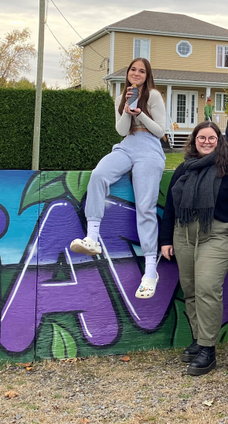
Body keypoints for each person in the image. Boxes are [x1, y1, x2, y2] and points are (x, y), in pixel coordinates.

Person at [70, 57, 165, 299]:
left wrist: (140, 113)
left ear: (147, 75)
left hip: (150, 149)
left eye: (141, 71)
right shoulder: (121, 96)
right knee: (99, 174)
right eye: (133, 69)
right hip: (128, 145)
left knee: (145, 207)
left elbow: (160, 131)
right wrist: (125, 110)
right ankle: (92, 237)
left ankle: (150, 271)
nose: (136, 73)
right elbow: (122, 130)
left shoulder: (153, 96)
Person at [160, 121, 228, 376]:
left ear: (219, 140)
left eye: (212, 138)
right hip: (184, 233)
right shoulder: (184, 169)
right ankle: (199, 340)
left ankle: (208, 350)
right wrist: (166, 239)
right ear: (194, 140)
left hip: (217, 234)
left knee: (207, 287)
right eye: (202, 137)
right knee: (189, 289)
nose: (206, 142)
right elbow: (170, 207)